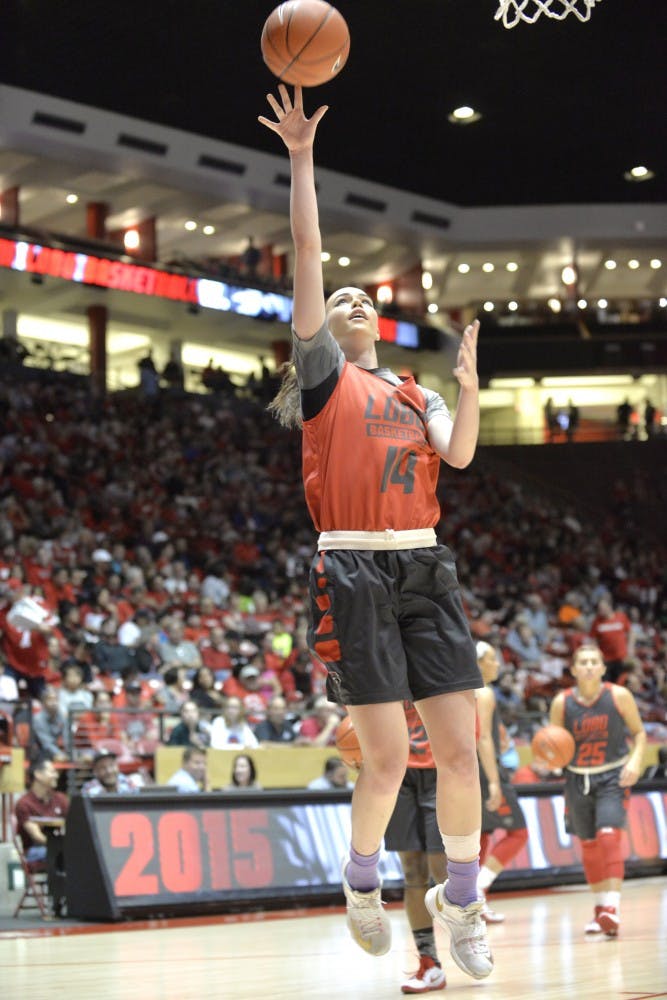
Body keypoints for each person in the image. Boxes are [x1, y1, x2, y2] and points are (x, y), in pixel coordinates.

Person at [259, 85, 491, 979]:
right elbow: (309, 251)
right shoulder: (325, 378)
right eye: (341, 296)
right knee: (387, 759)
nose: (351, 299)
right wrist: (301, 157)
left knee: (460, 750)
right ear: (324, 324)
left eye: (364, 297)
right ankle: (361, 883)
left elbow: (459, 456)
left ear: (379, 322)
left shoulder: (411, 392)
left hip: (423, 565)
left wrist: (467, 389)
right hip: (352, 566)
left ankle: (462, 899)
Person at [549, 641, 646, 937]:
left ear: (603, 668)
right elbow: (554, 743)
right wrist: (550, 759)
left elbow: (640, 733)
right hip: (577, 778)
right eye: (584, 662)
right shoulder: (561, 702)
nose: (590, 666)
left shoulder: (619, 695)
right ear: (574, 670)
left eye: (594, 662)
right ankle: (599, 909)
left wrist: (635, 762)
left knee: (608, 836)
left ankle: (612, 908)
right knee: (589, 845)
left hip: (612, 776)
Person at [384, 702, 448, 994]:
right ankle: (429, 961)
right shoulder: (383, 673)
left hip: (440, 769)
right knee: (412, 870)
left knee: (443, 871)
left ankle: (470, 932)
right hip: (398, 772)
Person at [475, 642, 529, 923]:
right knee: (518, 833)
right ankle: (477, 890)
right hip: (487, 772)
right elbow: (483, 738)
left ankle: (472, 902)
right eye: (492, 659)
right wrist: (495, 782)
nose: (497, 664)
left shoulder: (463, 692)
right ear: (478, 663)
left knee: (481, 836)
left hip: (470, 772)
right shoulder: (483, 692)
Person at [14, 758, 69, 915]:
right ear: (38, 774)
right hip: (34, 851)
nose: (56, 775)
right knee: (62, 854)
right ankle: (57, 901)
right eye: (52, 771)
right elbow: (36, 836)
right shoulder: (24, 803)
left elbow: (73, 825)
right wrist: (61, 846)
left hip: (60, 847)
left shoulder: (61, 799)